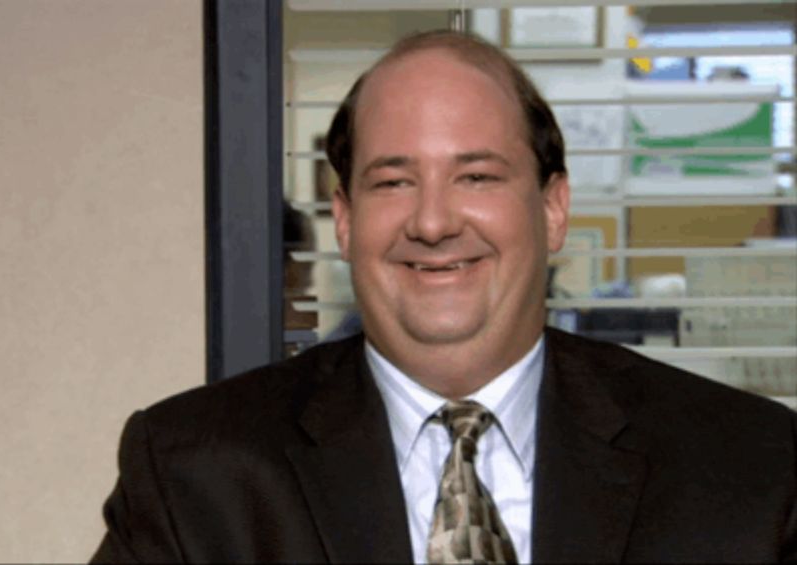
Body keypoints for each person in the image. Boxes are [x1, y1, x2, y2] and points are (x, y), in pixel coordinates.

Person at [91, 31, 796, 563]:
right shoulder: (192, 476)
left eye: (478, 177)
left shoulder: (749, 466)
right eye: (393, 181)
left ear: (553, 209)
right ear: (343, 218)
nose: (432, 222)